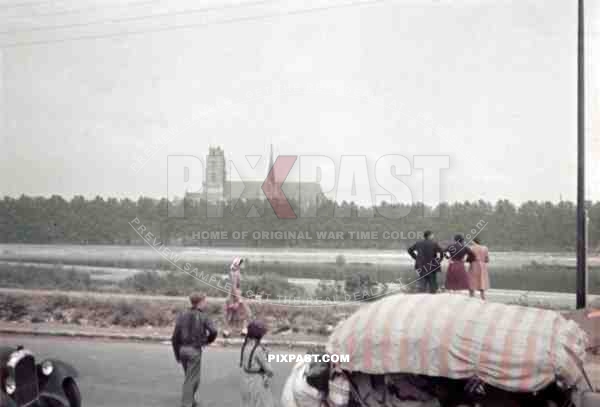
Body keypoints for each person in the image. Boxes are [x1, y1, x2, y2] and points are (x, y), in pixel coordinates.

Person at [171, 292, 218, 407]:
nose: (206, 303)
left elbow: (175, 337)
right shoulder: (203, 316)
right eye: (204, 301)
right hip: (194, 350)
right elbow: (214, 331)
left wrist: (177, 354)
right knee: (192, 379)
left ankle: (191, 401)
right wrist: (207, 341)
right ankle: (187, 403)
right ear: (200, 302)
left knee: (190, 377)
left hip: (182, 349)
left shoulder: (182, 315)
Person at [240, 320, 276, 407]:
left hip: (245, 380)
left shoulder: (245, 346)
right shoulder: (259, 350)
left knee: (247, 403)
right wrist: (267, 355)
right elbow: (270, 371)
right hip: (257, 382)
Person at [224, 256, 252, 338]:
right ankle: (244, 330)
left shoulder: (235, 272)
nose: (243, 265)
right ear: (238, 264)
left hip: (234, 296)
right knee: (247, 312)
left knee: (231, 314)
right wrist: (238, 299)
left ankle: (227, 331)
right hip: (235, 296)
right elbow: (234, 287)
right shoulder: (235, 273)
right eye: (241, 263)